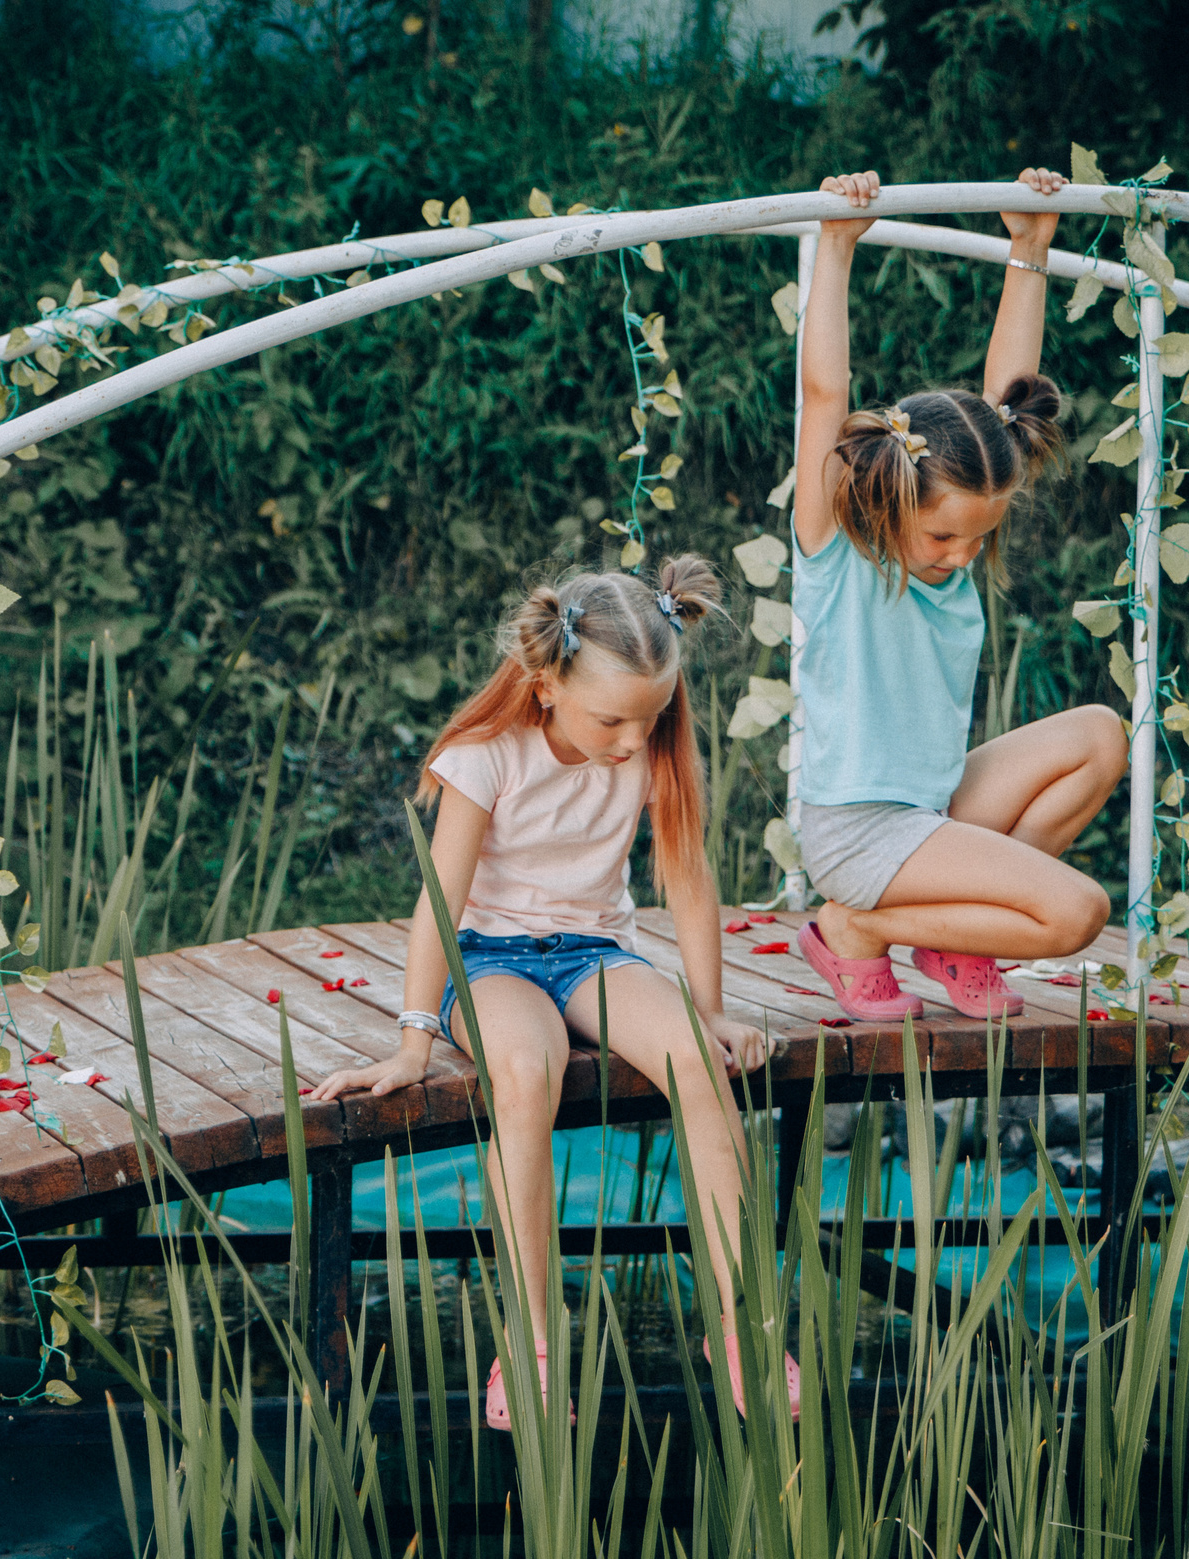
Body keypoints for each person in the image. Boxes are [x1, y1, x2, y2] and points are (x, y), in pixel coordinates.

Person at [309, 556, 798, 1430]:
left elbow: (686, 877)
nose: (627, 739)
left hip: (594, 952)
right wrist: (416, 1039)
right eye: (612, 718)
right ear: (544, 685)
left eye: (647, 718)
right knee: (528, 1071)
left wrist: (712, 1006)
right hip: (487, 958)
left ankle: (744, 1329)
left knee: (695, 1058)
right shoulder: (487, 756)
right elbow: (441, 899)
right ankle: (529, 1340)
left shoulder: (648, 746)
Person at [788, 167, 1129, 1023]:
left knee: (1099, 735)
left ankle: (947, 935)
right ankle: (856, 925)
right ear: (890, 498)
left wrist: (1028, 250)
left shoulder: (951, 545)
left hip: (928, 811)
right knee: (1078, 910)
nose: (963, 553)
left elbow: (1003, 398)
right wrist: (835, 244)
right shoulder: (838, 548)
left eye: (979, 535)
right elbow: (825, 395)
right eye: (944, 536)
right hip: (862, 835)